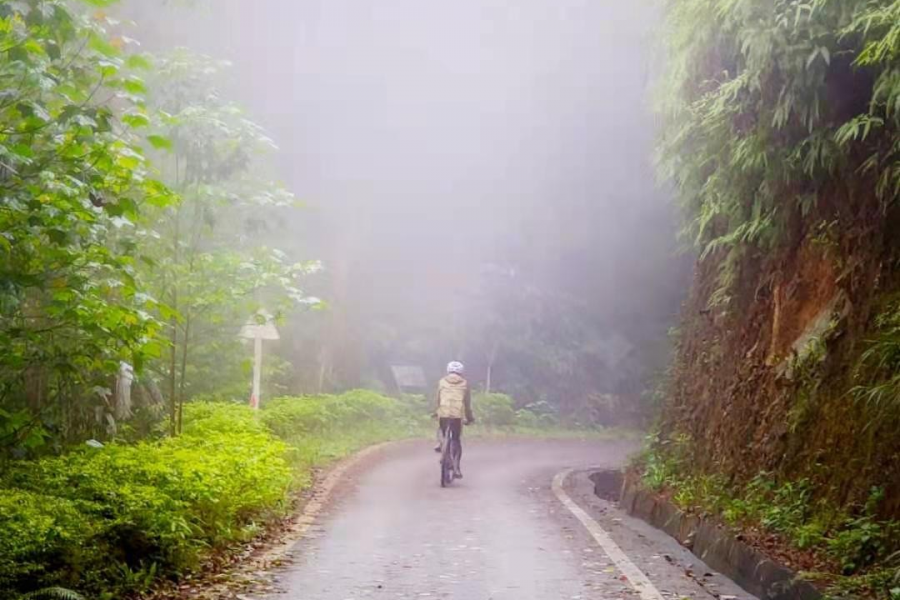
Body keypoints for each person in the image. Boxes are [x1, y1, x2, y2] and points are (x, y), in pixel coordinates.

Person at [433, 361, 474, 478]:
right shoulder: (465, 384)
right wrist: (469, 418)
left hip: (443, 413)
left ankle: (441, 445)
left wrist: (436, 411)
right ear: (461, 372)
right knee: (456, 439)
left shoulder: (442, 382)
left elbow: (438, 399)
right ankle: (456, 468)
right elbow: (467, 404)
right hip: (457, 416)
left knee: (441, 430)